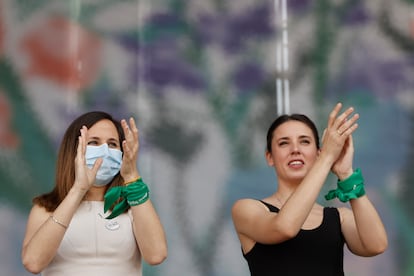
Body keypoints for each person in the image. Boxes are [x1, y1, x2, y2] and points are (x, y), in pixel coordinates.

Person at [231, 103, 388, 275]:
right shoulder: (246, 209)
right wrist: (327, 157)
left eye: (305, 141)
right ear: (270, 157)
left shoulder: (339, 217)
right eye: (284, 143)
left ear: (317, 153)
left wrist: (347, 175)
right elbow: (285, 227)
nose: (295, 150)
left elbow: (376, 245)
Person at [21, 111, 167, 275]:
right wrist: (78, 190)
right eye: (94, 142)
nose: (104, 150)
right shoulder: (44, 209)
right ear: (73, 150)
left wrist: (132, 176)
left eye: (112, 144)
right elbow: (33, 263)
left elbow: (156, 255)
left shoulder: (134, 207)